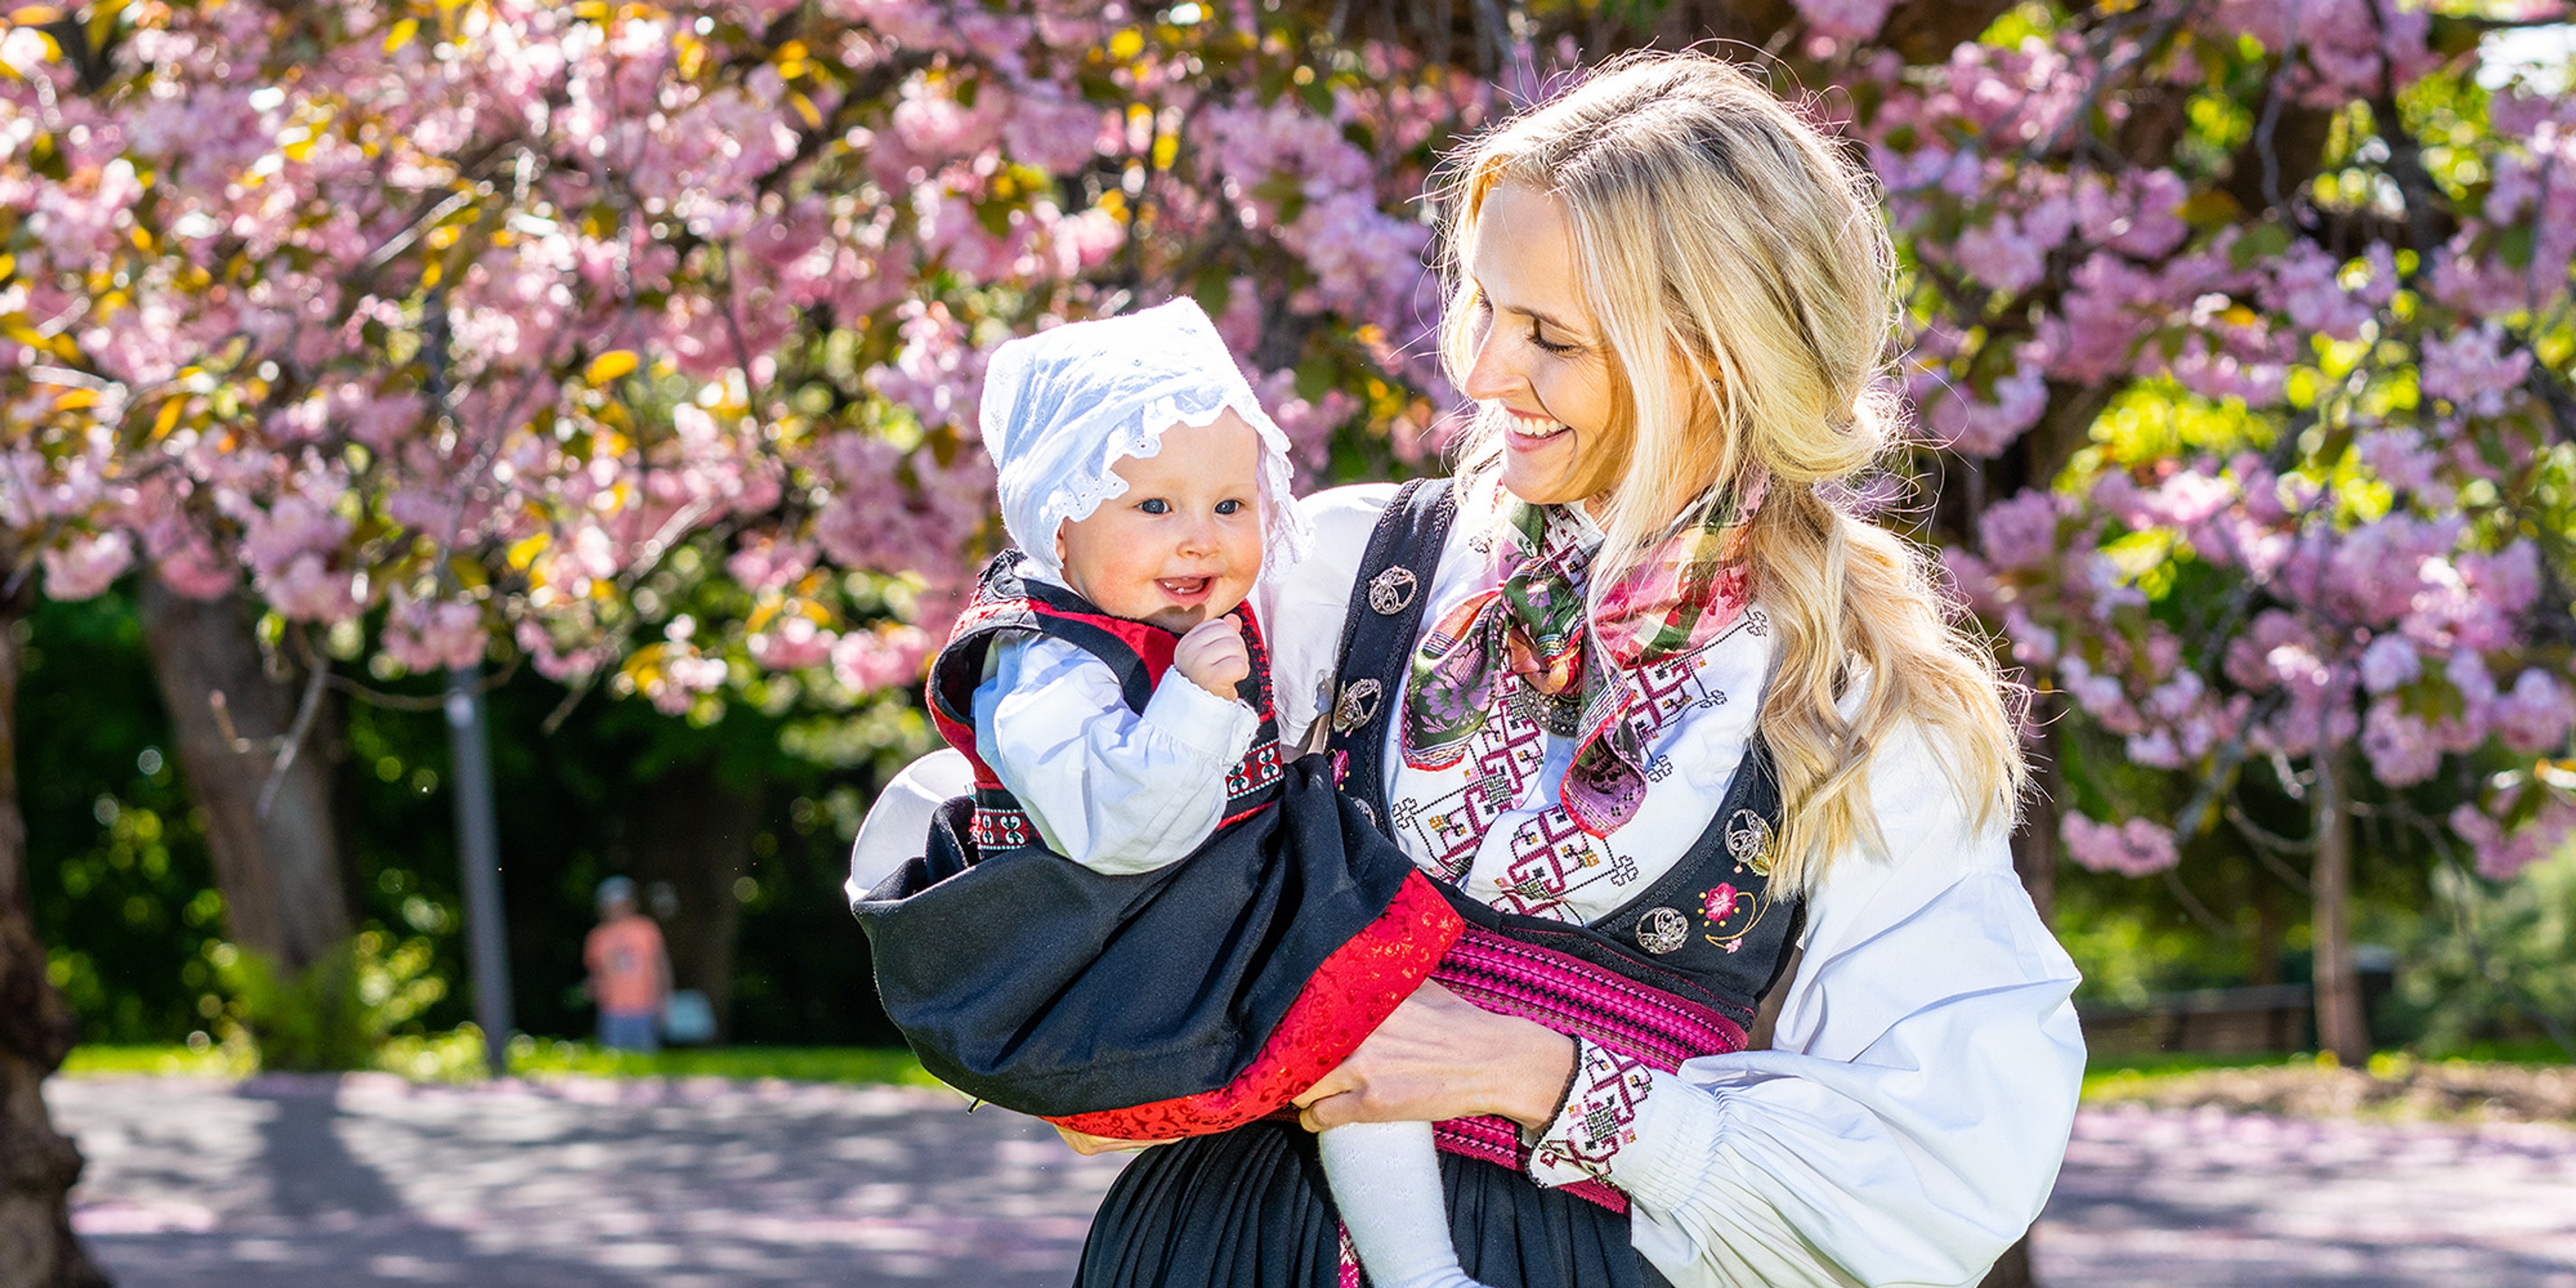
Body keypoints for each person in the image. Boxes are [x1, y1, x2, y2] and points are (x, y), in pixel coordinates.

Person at [1043, 52, 2086, 1288]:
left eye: (1550, 337)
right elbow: (1082, 784)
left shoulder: (1853, 691)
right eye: (1482, 306)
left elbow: (1946, 1167)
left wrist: (1536, 1073)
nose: (1481, 371)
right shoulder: (1339, 567)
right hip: (1216, 1247)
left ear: (1714, 358)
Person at [855, 298, 1502, 1288]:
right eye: (1154, 507)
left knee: (1368, 1013)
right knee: (1353, 1012)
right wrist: (1199, 706)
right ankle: (1418, 1270)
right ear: (1057, 523)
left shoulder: (1172, 620)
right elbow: (1121, 831)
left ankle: (1418, 1265)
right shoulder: (1036, 665)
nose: (1199, 539)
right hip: (1115, 939)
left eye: (1229, 506)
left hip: (1200, 908)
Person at [584, 875, 669, 1053]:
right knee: (613, 1062)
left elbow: (661, 967)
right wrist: (592, 988)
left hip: (645, 1008)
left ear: (631, 903)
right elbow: (595, 975)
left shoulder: (646, 929)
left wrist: (664, 1000)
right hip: (611, 1011)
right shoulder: (596, 937)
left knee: (646, 1063)